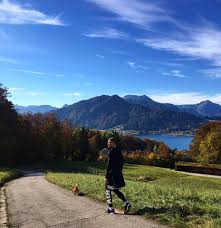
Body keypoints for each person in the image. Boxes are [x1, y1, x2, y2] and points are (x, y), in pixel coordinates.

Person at [104, 137, 131, 214]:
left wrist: (106, 177)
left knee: (107, 190)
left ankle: (110, 208)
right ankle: (126, 202)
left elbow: (109, 166)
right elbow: (121, 164)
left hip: (111, 175)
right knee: (115, 190)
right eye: (108, 142)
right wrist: (118, 172)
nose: (108, 143)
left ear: (113, 143)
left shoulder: (111, 152)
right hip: (118, 175)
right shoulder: (119, 152)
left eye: (109, 142)